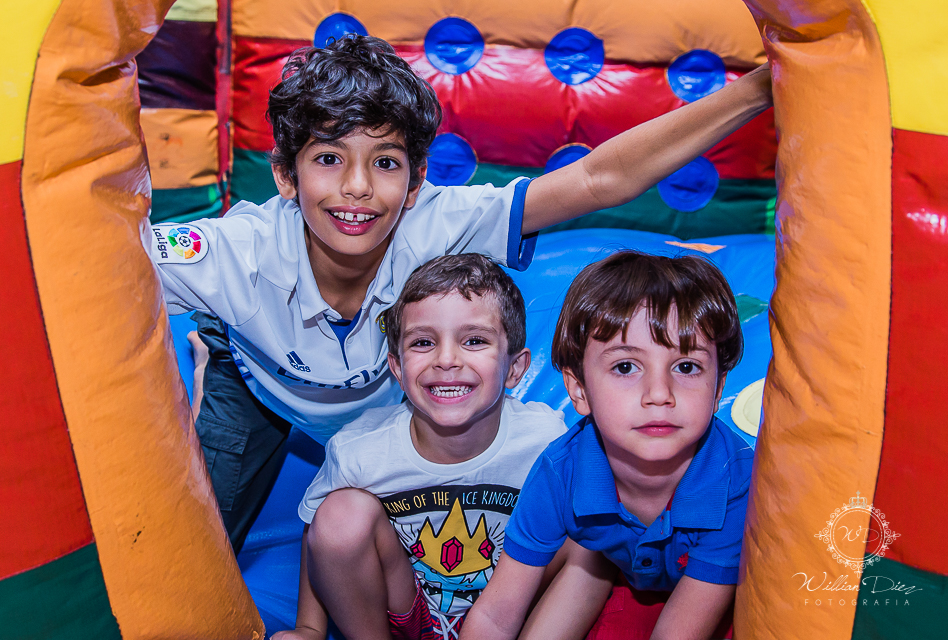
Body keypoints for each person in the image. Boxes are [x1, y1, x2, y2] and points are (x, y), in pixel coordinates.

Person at [146, 34, 772, 553]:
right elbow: (108, 263)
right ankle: (212, 356)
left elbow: (596, 179)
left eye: (385, 163)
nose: (358, 187)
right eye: (329, 159)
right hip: (259, 386)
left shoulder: (438, 224)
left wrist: (757, 90)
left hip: (387, 399)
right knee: (196, 550)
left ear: (416, 181)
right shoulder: (234, 252)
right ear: (286, 175)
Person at [274, 254, 614, 640]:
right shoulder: (360, 450)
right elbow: (319, 537)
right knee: (339, 517)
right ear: (398, 369)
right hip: (409, 608)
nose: (447, 360)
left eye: (474, 340)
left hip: (514, 606)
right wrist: (309, 628)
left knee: (592, 534)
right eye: (423, 342)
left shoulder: (544, 438)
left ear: (515, 368)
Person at [459, 251, 755, 640]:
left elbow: (679, 631)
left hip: (718, 594)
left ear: (717, 390)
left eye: (686, 367)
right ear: (579, 390)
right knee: (587, 562)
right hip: (615, 567)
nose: (659, 394)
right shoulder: (562, 472)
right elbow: (496, 614)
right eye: (625, 367)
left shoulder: (735, 482)